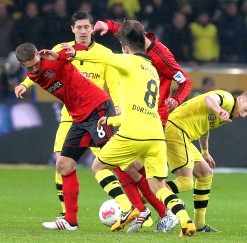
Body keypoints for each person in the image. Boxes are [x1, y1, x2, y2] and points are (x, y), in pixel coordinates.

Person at [61, 28, 196, 237]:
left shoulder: (129, 62)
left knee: (99, 166)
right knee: (158, 186)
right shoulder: (151, 69)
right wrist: (113, 119)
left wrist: (75, 53)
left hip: (134, 133)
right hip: (156, 136)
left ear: (125, 48)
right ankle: (185, 221)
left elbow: (103, 57)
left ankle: (128, 207)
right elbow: (137, 107)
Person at [14, 10, 120, 220]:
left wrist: (116, 105)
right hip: (70, 115)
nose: (82, 31)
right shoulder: (59, 50)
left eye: (86, 27)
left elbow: (113, 82)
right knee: (61, 162)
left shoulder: (104, 53)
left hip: (97, 111)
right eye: (78, 27)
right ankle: (66, 214)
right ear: (72, 29)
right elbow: (37, 69)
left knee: (109, 161)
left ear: (92, 29)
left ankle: (126, 204)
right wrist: (24, 84)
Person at [93, 19, 192, 232]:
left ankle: (155, 212)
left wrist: (177, 99)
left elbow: (185, 81)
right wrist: (108, 26)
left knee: (132, 167)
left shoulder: (162, 57)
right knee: (129, 167)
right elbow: (125, 31)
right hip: (137, 116)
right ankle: (151, 211)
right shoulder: (137, 41)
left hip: (153, 118)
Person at [165, 89, 247, 232]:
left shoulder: (228, 112)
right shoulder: (227, 99)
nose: (243, 115)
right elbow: (209, 99)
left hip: (183, 134)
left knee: (206, 173)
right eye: (246, 109)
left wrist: (205, 152)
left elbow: (205, 126)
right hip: (177, 130)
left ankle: (199, 224)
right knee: (185, 182)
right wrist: (219, 110)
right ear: (241, 99)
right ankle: (141, 198)